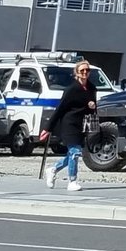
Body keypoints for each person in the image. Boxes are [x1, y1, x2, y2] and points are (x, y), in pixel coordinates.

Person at [44, 59, 97, 191]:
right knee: (74, 152)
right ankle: (72, 181)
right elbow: (60, 109)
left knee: (74, 153)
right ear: (77, 73)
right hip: (69, 124)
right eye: (82, 70)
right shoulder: (71, 89)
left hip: (82, 124)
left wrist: (92, 107)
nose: (85, 72)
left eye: (87, 70)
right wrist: (48, 128)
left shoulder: (92, 88)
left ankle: (53, 169)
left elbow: (91, 108)